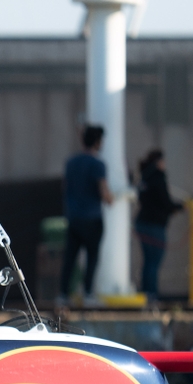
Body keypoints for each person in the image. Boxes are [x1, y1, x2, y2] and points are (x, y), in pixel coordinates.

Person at [61, 124, 113, 303]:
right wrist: (111, 198)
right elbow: (104, 192)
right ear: (98, 142)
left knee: (70, 258)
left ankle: (63, 295)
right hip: (92, 218)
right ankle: (88, 293)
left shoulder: (71, 163)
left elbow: (66, 188)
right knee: (92, 258)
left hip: (74, 217)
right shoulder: (98, 164)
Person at [134, 149, 180, 299]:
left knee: (148, 262)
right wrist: (179, 207)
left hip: (142, 223)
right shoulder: (158, 178)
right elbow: (165, 202)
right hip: (154, 225)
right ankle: (151, 295)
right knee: (154, 261)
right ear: (158, 162)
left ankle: (146, 292)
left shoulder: (144, 177)